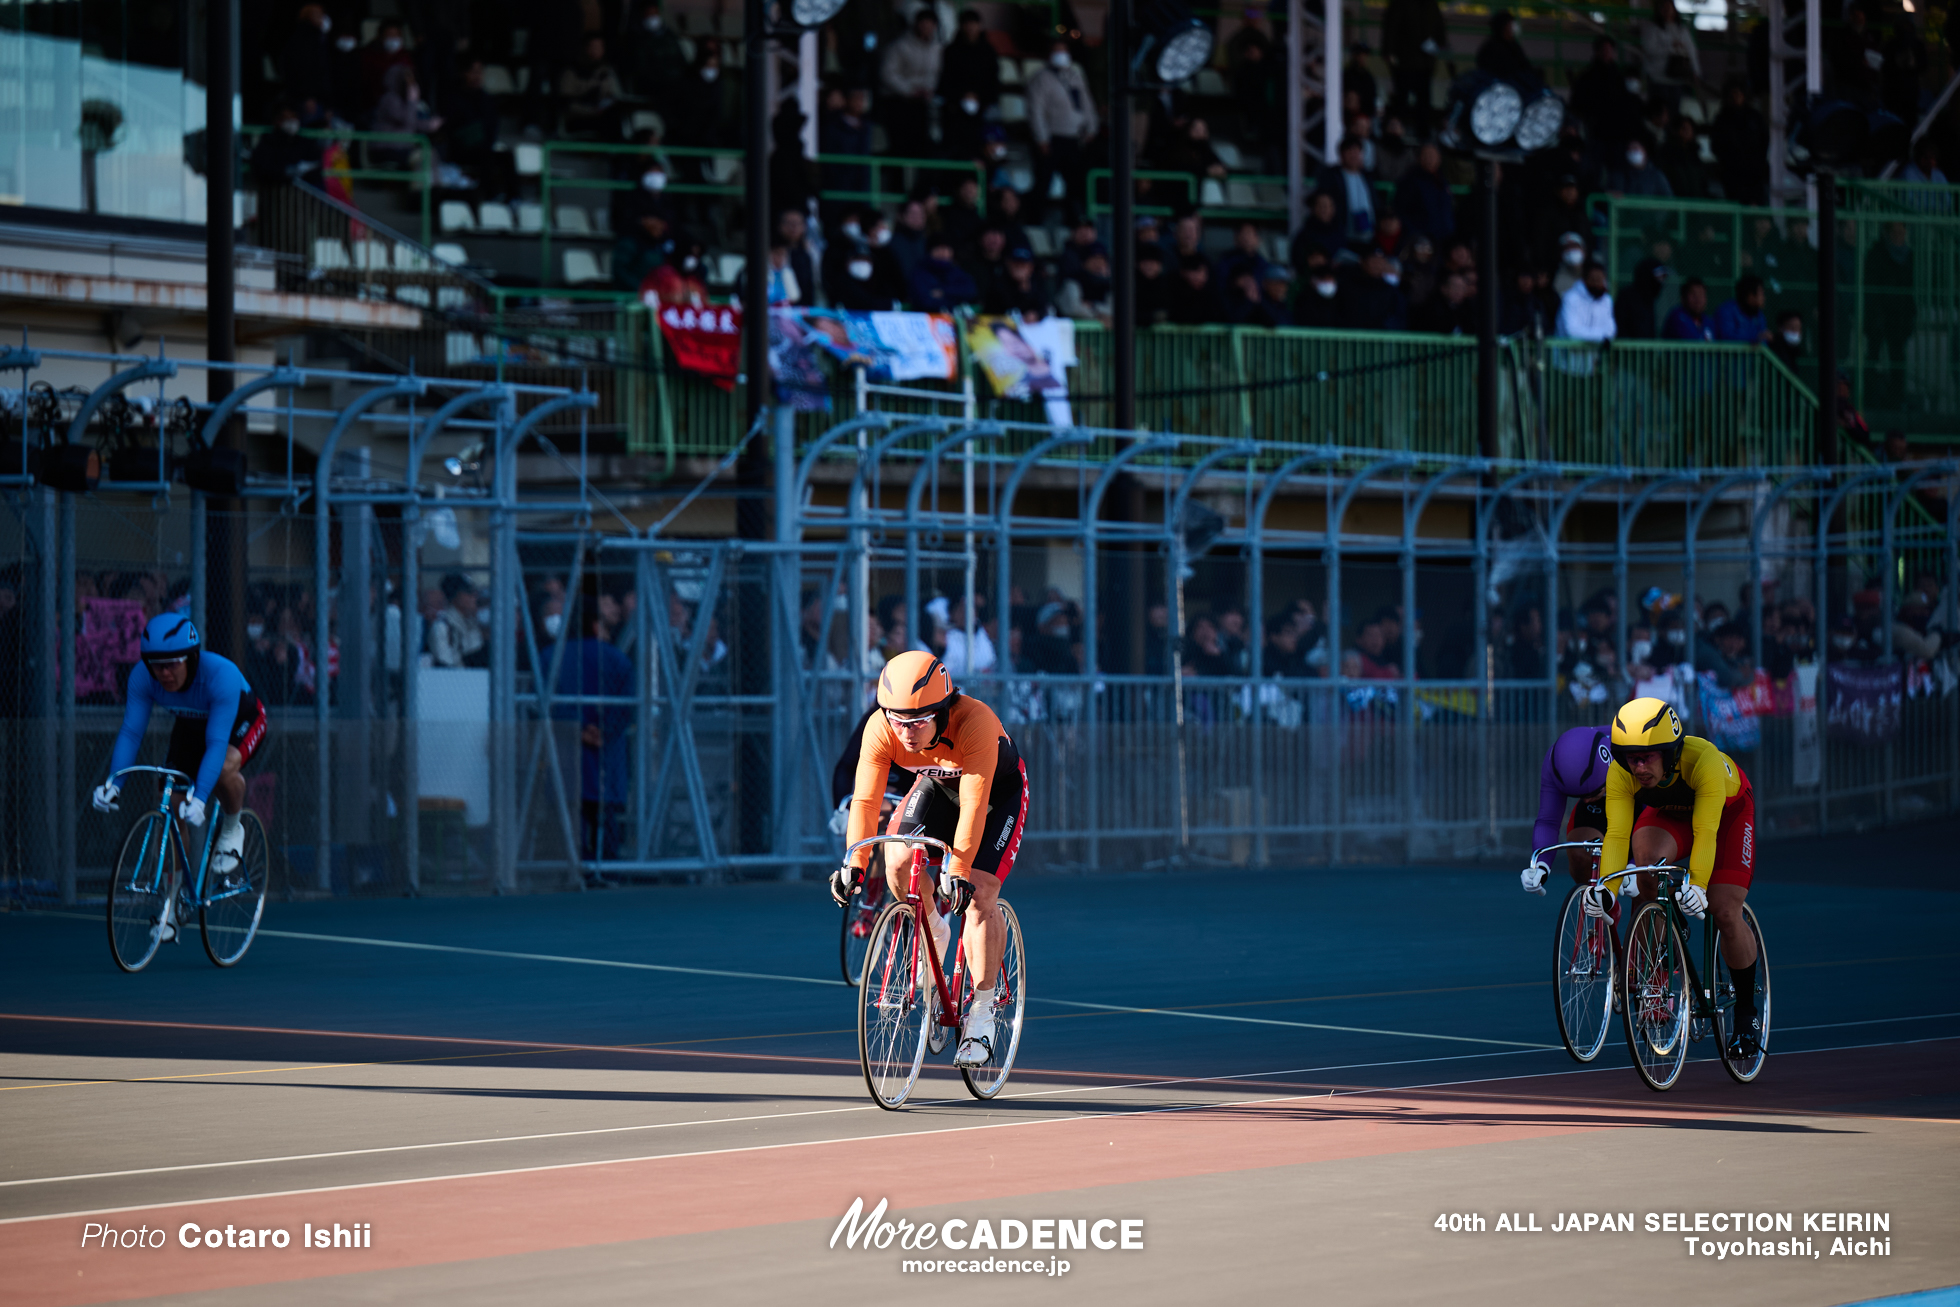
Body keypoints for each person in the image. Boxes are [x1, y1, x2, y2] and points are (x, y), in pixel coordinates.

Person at [829, 652, 1029, 1070]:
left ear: (943, 709)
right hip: (938, 787)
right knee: (897, 856)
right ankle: (934, 931)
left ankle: (982, 1010)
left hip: (994, 797)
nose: (906, 731)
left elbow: (974, 807)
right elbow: (865, 800)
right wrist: (855, 862)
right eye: (897, 719)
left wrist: (956, 873)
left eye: (919, 720)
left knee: (978, 895)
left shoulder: (975, 721)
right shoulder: (880, 729)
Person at [1597, 698, 1761, 1058]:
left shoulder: (1703, 760)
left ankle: (1747, 1014)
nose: (1638, 767)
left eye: (1647, 757)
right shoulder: (1623, 770)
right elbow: (1616, 835)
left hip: (1727, 816)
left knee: (1724, 910)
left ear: (1670, 751)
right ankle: (1666, 938)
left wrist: (1698, 886)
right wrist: (1606, 891)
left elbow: (1706, 831)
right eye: (1630, 757)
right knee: (1644, 860)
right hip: (1671, 813)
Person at [94, 616, 269, 938]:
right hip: (191, 729)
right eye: (156, 665)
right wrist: (113, 783)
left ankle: (232, 828)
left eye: (173, 664)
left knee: (224, 768)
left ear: (191, 658)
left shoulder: (220, 675)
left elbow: (217, 743)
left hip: (240, 723)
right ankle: (174, 904)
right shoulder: (142, 678)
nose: (164, 673)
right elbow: (132, 732)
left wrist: (201, 797)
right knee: (172, 805)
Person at [1520, 725, 1619, 894]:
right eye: (1578, 795)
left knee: (1645, 869)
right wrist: (1541, 867)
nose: (1587, 800)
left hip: (1638, 798)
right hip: (1603, 800)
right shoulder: (1554, 763)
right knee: (1579, 854)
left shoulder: (1629, 752)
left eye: (1593, 792)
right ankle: (1603, 907)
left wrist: (1633, 864)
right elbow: (1548, 821)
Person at [1026, 39, 1098, 222]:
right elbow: (1036, 110)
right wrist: (1041, 138)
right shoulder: (1040, 78)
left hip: (1074, 138)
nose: (1061, 55)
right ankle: (1034, 221)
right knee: (1043, 183)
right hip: (1051, 138)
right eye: (1057, 51)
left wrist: (1091, 127)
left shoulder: (1075, 75)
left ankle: (1073, 222)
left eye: (1064, 51)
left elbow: (1086, 103)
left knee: (1075, 185)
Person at [880, 9, 942, 159]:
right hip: (899, 103)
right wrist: (910, 90)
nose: (927, 28)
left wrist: (929, 90)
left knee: (922, 148)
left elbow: (936, 74)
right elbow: (887, 74)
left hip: (923, 104)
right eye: (924, 24)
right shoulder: (899, 46)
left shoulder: (937, 49)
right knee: (899, 148)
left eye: (931, 24)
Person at [1380, 0, 1446, 133]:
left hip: (1424, 62)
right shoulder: (1400, 4)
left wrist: (1439, 44)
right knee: (1402, 98)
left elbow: (1439, 26)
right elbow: (1391, 27)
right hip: (1405, 62)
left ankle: (1422, 132)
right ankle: (1396, 133)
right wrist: (1389, 52)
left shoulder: (1430, 4)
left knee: (1422, 99)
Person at [429, 573, 488, 668]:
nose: (474, 596)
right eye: (469, 592)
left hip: (475, 677)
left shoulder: (472, 623)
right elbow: (445, 663)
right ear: (455, 596)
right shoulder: (442, 626)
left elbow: (477, 656)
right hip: (451, 679)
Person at [1476, 11, 1537, 89]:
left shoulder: (1514, 46)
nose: (1513, 28)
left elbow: (1525, 66)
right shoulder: (1491, 47)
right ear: (1503, 27)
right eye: (1510, 25)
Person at [1557, 261, 1616, 341]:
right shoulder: (1571, 298)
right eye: (1594, 279)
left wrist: (1600, 336)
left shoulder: (1606, 300)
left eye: (1601, 279)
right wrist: (1602, 337)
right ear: (1585, 280)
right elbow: (1572, 332)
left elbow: (1611, 331)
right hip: (1567, 352)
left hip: (1595, 352)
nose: (1598, 283)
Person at [1712, 273, 1769, 345]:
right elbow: (1726, 337)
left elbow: (1764, 340)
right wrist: (1754, 338)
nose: (1763, 297)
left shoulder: (1759, 315)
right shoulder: (1727, 311)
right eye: (1761, 293)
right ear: (1750, 295)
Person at [1660, 275, 1713, 340]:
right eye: (1693, 294)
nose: (1698, 299)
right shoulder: (1677, 316)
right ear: (1683, 297)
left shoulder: (1707, 320)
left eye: (1701, 294)